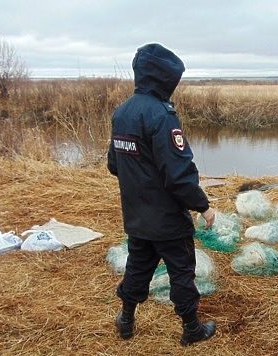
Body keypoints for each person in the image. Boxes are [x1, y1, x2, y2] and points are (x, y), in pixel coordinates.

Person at [107, 43, 217, 345]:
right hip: (168, 220)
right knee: (182, 272)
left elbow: (113, 164)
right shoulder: (161, 115)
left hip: (137, 217)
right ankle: (192, 329)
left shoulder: (123, 112)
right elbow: (179, 175)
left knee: (138, 267)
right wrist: (203, 206)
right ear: (165, 79)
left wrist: (139, 184)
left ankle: (126, 319)